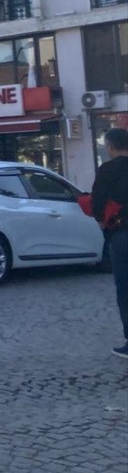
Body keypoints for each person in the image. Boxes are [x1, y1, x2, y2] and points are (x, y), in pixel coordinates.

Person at [90, 127, 128, 360]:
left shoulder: (107, 170)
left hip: (122, 234)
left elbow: (97, 205)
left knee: (125, 287)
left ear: (110, 146)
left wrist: (103, 222)